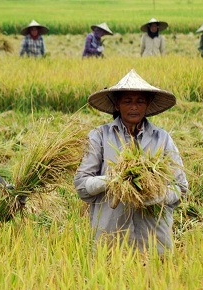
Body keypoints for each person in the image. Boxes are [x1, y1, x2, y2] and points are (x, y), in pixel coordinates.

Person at [74, 69, 188, 255]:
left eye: (139, 101)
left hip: (154, 242)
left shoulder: (162, 139)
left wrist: (157, 195)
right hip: (111, 241)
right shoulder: (99, 137)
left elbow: (180, 187)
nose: (134, 107)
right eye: (127, 101)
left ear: (147, 104)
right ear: (117, 105)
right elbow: (82, 186)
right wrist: (112, 180)